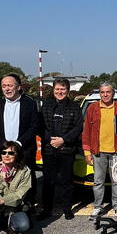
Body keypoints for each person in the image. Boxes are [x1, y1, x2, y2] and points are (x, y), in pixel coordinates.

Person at [0, 73, 41, 212]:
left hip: (24, 149)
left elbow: (35, 126)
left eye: (10, 85)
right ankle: (3, 216)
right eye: (4, 86)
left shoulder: (29, 104)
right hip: (2, 151)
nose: (7, 89)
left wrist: (19, 143)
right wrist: (4, 145)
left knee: (25, 181)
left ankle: (26, 210)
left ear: (18, 87)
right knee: (2, 183)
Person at [39, 79, 84, 221]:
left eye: (63, 89)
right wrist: (51, 140)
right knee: (48, 181)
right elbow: (39, 126)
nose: (60, 92)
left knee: (67, 181)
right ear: (53, 90)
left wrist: (63, 140)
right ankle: (46, 209)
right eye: (57, 89)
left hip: (67, 149)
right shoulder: (45, 107)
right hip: (49, 149)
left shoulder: (74, 107)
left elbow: (78, 127)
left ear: (68, 91)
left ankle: (67, 209)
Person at [82, 81, 117, 220]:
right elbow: (86, 132)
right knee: (98, 182)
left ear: (113, 93)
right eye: (103, 92)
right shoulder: (92, 108)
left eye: (108, 92)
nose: (105, 95)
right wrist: (87, 152)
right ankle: (98, 207)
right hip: (98, 151)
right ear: (99, 93)